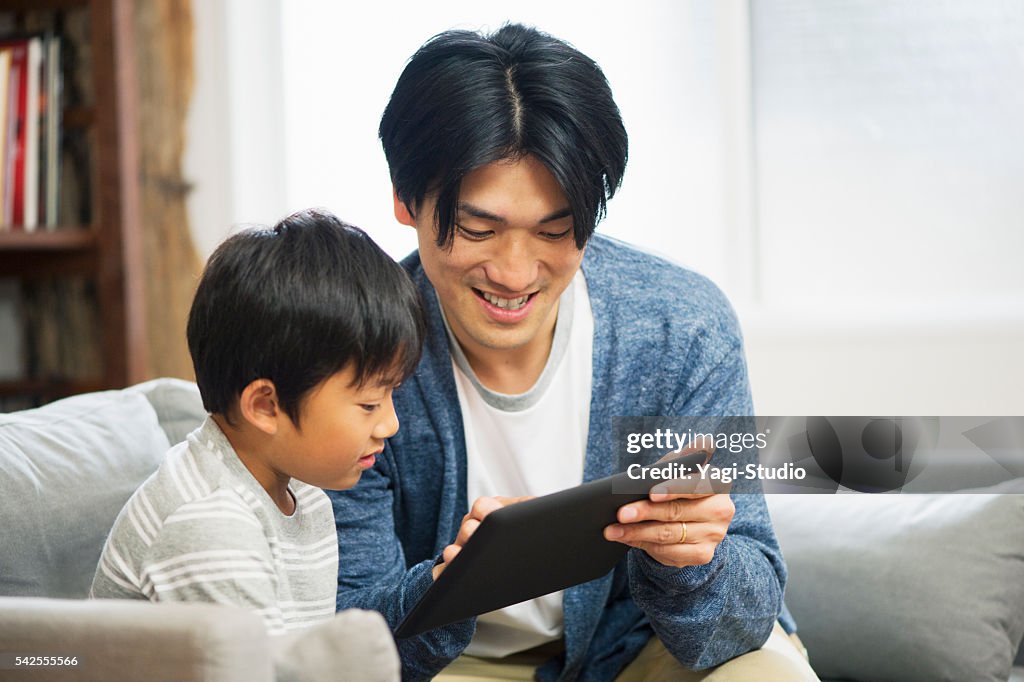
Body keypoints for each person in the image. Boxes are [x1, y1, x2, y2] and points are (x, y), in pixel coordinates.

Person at [328, 24, 819, 681]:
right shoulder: (350, 353)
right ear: (405, 200)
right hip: (454, 664)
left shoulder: (679, 331)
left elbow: (743, 620)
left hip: (638, 650)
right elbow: (351, 634)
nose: (514, 271)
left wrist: (691, 564)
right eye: (479, 228)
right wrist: (450, 589)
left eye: (555, 230)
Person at [91, 209, 424, 648]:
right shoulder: (211, 523)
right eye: (368, 403)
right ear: (265, 406)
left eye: (392, 396)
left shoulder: (303, 496)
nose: (390, 424)